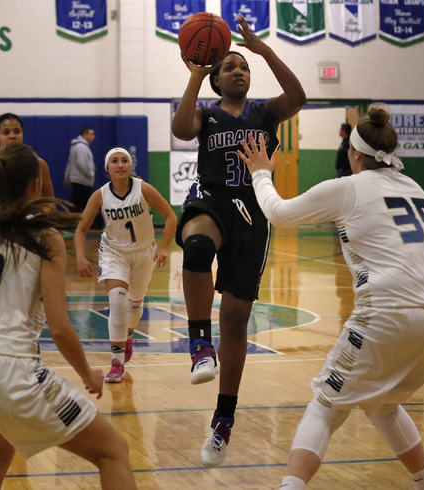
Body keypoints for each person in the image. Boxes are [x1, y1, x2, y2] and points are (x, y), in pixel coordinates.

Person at [238, 106, 424, 490]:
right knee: (384, 403)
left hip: (393, 311)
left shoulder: (348, 188)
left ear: (354, 153)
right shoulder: (414, 188)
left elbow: (277, 212)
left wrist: (261, 172)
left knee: (325, 405)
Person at [0, 143, 136, 490]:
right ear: (36, 186)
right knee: (113, 450)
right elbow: (60, 328)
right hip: (7, 373)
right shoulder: (45, 235)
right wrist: (88, 374)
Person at [171, 15, 305, 468]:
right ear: (215, 76)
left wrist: (264, 50)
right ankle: (197, 345)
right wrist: (194, 75)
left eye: (243, 66)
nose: (238, 71)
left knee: (235, 317)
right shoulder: (206, 114)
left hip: (254, 215)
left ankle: (224, 420)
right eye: (229, 66)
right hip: (211, 202)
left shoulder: (266, 112)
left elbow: (300, 96)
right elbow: (181, 129)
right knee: (195, 248)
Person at [74, 147, 177, 383]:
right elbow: (81, 228)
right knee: (118, 302)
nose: (120, 165)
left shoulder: (143, 189)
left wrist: (163, 248)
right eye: (114, 161)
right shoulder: (100, 195)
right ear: (106, 168)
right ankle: (116, 363)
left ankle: (128, 335)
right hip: (113, 252)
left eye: (124, 161)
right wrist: (81, 257)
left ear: (130, 166)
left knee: (134, 305)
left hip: (143, 253)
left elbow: (171, 217)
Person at [65, 127, 97, 212]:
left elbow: (69, 163)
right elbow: (82, 163)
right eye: (92, 134)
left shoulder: (77, 146)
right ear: (85, 135)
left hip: (80, 180)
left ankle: (71, 221)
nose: (94, 136)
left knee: (80, 204)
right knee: (84, 204)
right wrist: (90, 175)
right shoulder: (81, 147)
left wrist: (67, 177)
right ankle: (97, 222)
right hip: (82, 180)